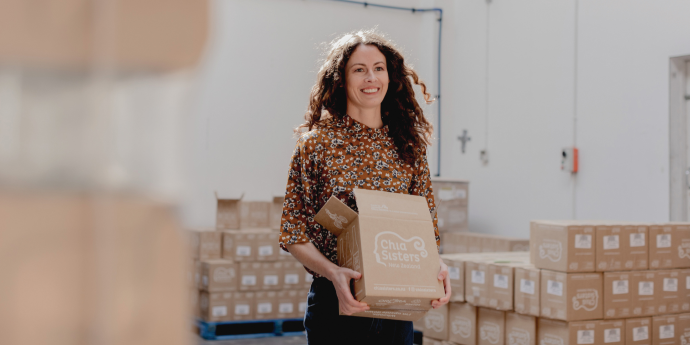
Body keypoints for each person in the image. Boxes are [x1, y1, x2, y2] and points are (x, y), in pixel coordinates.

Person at [278, 29, 451, 345]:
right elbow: (293, 234)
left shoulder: (408, 146)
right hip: (337, 305)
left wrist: (436, 268)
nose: (371, 77)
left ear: (391, 76)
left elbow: (425, 229)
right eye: (359, 69)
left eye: (379, 68)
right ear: (341, 79)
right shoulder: (317, 145)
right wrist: (334, 274)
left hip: (396, 309)